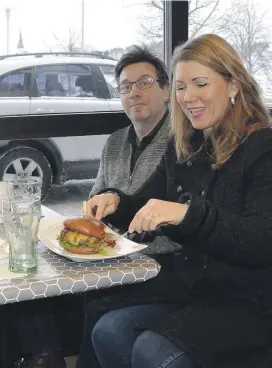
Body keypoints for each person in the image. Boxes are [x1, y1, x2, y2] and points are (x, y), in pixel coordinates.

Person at [83, 33, 272, 368]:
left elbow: (263, 241)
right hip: (199, 289)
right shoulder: (185, 146)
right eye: (182, 87)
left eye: (200, 84)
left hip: (254, 302)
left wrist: (186, 214)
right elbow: (142, 206)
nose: (188, 97)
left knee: (151, 350)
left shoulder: (267, 147)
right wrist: (115, 200)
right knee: (108, 331)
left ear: (233, 86)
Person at [76, 45, 181, 368]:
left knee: (98, 307)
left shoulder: (182, 142)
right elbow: (95, 202)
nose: (135, 92)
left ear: (166, 90)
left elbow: (178, 220)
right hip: (116, 258)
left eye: (145, 82)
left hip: (165, 262)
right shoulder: (115, 143)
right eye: (125, 86)